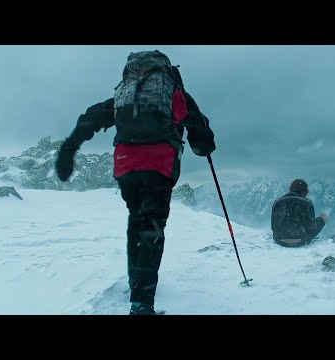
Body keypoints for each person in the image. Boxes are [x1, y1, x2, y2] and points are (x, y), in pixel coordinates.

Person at [55, 50, 216, 315]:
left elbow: (92, 117)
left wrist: (69, 148)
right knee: (152, 227)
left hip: (126, 164)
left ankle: (137, 285)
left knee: (136, 220)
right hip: (159, 165)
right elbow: (201, 139)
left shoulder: (125, 94)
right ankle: (141, 304)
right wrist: (205, 146)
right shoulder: (175, 94)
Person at [271, 179, 328, 247]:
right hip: (301, 240)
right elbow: (311, 227)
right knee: (324, 216)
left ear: (291, 189)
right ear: (305, 191)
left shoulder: (277, 202)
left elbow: (273, 226)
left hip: (279, 240)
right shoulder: (307, 203)